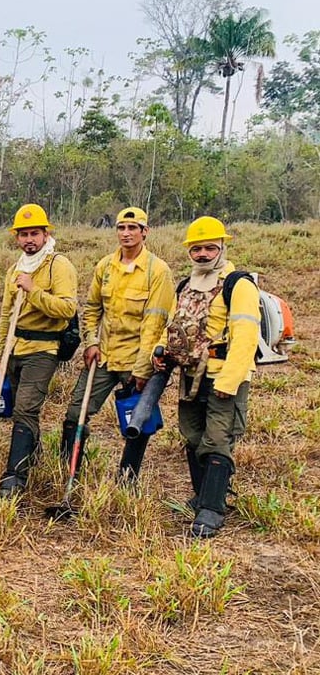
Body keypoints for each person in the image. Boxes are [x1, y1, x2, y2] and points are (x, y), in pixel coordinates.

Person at [153, 216, 259, 538]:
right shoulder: (186, 285)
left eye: (210, 248)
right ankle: (203, 496)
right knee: (193, 435)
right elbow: (173, 325)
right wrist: (161, 349)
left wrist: (229, 381)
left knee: (217, 439)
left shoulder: (238, 284)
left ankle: (212, 510)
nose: (202, 254)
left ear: (222, 247)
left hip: (222, 375)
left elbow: (246, 336)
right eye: (196, 249)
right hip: (190, 375)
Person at [64, 207, 173, 483]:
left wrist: (142, 369)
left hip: (136, 359)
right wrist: (91, 341)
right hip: (104, 356)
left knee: (138, 420)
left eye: (133, 228)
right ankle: (68, 474)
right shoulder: (105, 266)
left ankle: (127, 479)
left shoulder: (158, 271)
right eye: (121, 228)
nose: (126, 233)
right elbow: (92, 309)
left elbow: (155, 325)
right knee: (76, 413)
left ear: (145, 232)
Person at [0, 204, 78, 498]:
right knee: (21, 409)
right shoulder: (14, 269)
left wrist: (33, 291)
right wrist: (1, 352)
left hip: (44, 349)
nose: (29, 240)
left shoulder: (59, 265)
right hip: (16, 348)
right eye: (23, 234)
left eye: (34, 233)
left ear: (45, 234)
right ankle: (32, 456)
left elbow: (67, 309)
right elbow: (6, 314)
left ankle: (15, 476)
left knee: (24, 408)